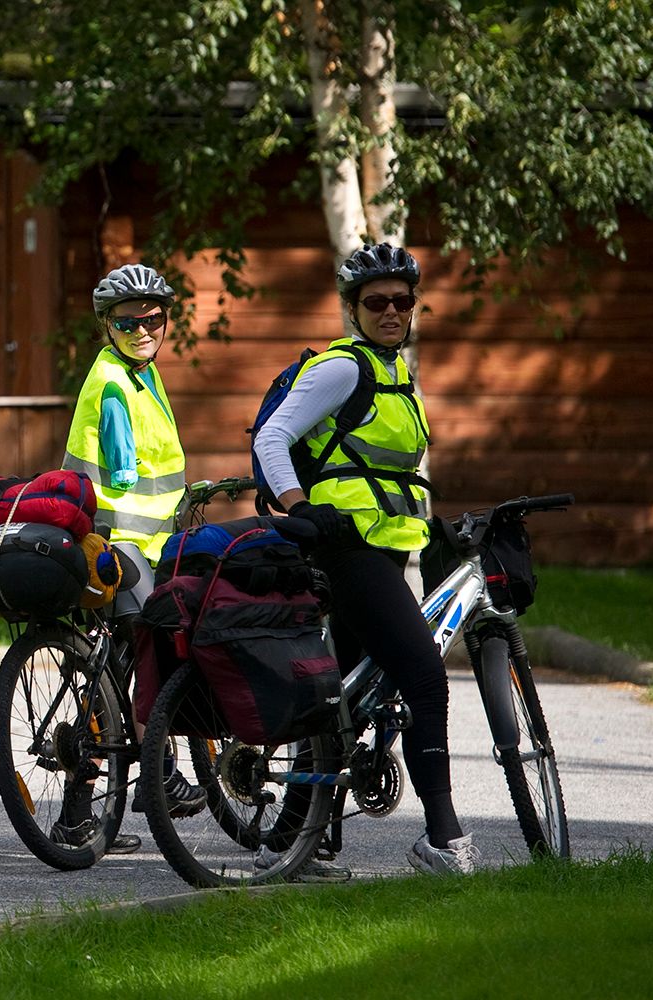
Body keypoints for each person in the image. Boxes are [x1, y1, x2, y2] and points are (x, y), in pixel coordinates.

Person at [253, 242, 473, 876]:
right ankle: (442, 836)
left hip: (383, 546)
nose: (392, 311)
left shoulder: (397, 374)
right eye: (376, 302)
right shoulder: (343, 369)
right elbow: (273, 437)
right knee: (425, 678)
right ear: (352, 308)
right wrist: (299, 506)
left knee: (335, 698)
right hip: (345, 547)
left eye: (403, 301)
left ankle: (296, 835)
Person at [59, 263, 205, 851]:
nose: (144, 329)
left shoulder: (141, 373)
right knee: (155, 646)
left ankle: (75, 814)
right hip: (119, 544)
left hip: (144, 542)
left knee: (113, 678)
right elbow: (124, 471)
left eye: (153, 319)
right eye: (128, 322)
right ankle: (157, 773)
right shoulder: (115, 382)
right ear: (106, 327)